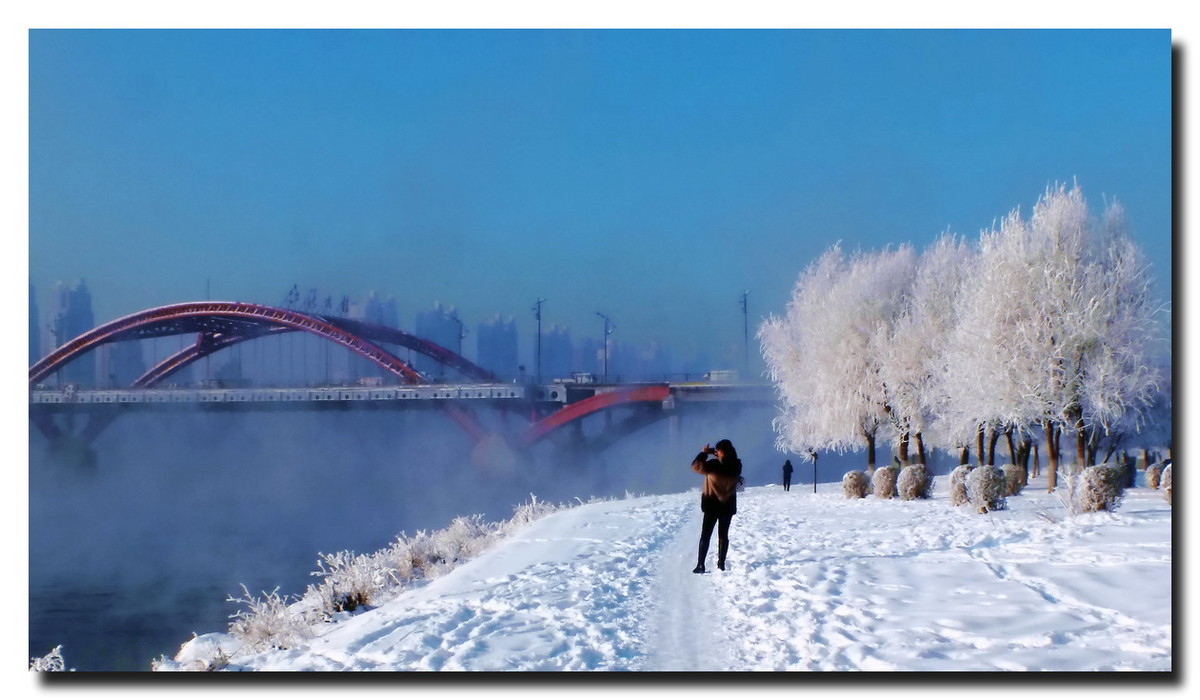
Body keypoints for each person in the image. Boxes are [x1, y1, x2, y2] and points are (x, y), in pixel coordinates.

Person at [690, 438, 742, 573]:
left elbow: (695, 466)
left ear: (721, 452)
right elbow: (727, 460)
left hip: (711, 506)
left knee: (705, 535)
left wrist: (704, 453)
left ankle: (701, 565)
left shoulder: (712, 465)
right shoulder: (736, 465)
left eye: (718, 450)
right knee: (723, 536)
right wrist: (715, 452)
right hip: (727, 506)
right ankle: (721, 564)